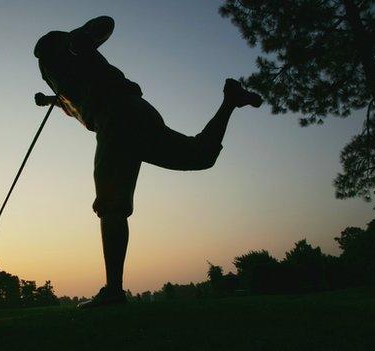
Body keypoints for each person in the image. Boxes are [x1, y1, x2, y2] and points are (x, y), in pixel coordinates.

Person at [34, 16, 261, 308]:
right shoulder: (72, 80)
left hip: (116, 119)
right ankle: (230, 101)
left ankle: (114, 291)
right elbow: (74, 102)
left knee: (111, 205)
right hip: (136, 113)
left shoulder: (76, 52)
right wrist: (50, 101)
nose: (45, 69)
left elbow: (106, 23)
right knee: (199, 155)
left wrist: (83, 37)